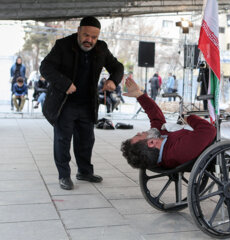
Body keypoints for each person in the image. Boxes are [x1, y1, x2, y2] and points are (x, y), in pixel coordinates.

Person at [40, 16, 124, 190]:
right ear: (78, 31)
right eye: (86, 35)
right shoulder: (63, 46)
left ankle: (84, 172)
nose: (89, 40)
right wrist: (65, 83)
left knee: (86, 140)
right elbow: (45, 67)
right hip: (65, 103)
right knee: (63, 140)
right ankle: (64, 175)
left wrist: (113, 81)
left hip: (87, 103)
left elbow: (118, 67)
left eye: (94, 37)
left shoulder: (101, 48)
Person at [121, 77, 216, 169]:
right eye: (138, 135)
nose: (139, 132)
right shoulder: (178, 151)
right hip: (215, 135)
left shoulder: (159, 139)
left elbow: (155, 117)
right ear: (151, 143)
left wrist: (139, 95)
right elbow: (208, 130)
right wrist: (188, 117)